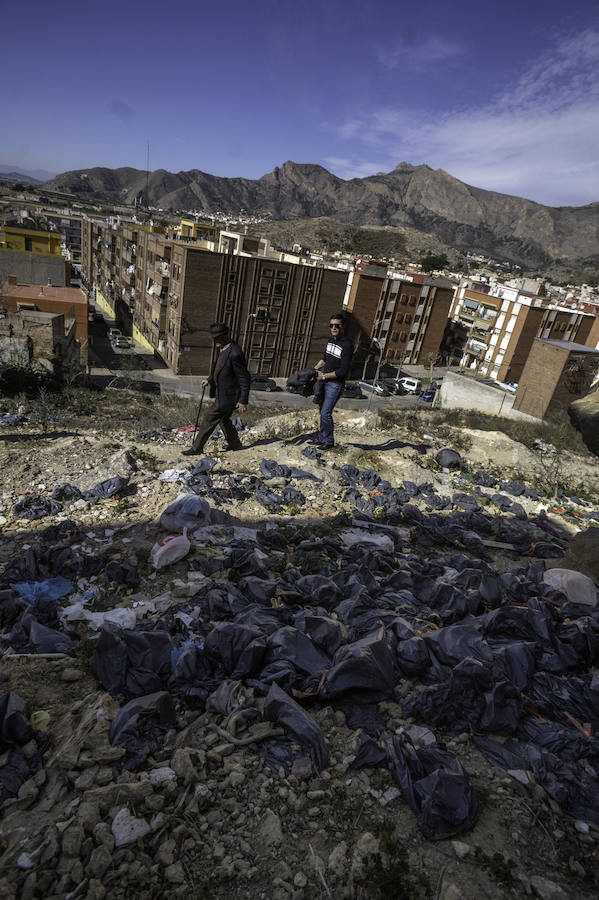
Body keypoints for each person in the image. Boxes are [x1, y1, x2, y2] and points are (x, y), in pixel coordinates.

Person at [183, 322, 250, 456]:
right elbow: (219, 369)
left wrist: (243, 400)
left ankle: (197, 448)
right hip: (222, 394)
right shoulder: (223, 349)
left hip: (229, 396)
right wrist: (209, 379)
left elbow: (244, 377)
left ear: (226, 336)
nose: (215, 340)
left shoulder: (235, 352)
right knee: (223, 419)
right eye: (214, 337)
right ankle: (235, 444)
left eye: (217, 337)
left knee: (209, 417)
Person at [311, 313, 353, 450]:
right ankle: (322, 438)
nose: (334, 328)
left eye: (337, 325)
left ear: (343, 326)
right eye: (331, 325)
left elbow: (342, 371)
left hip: (335, 384)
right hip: (324, 381)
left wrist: (323, 376)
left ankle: (329, 441)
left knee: (325, 413)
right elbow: (325, 358)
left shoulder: (347, 345)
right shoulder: (331, 340)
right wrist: (315, 369)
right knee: (321, 410)